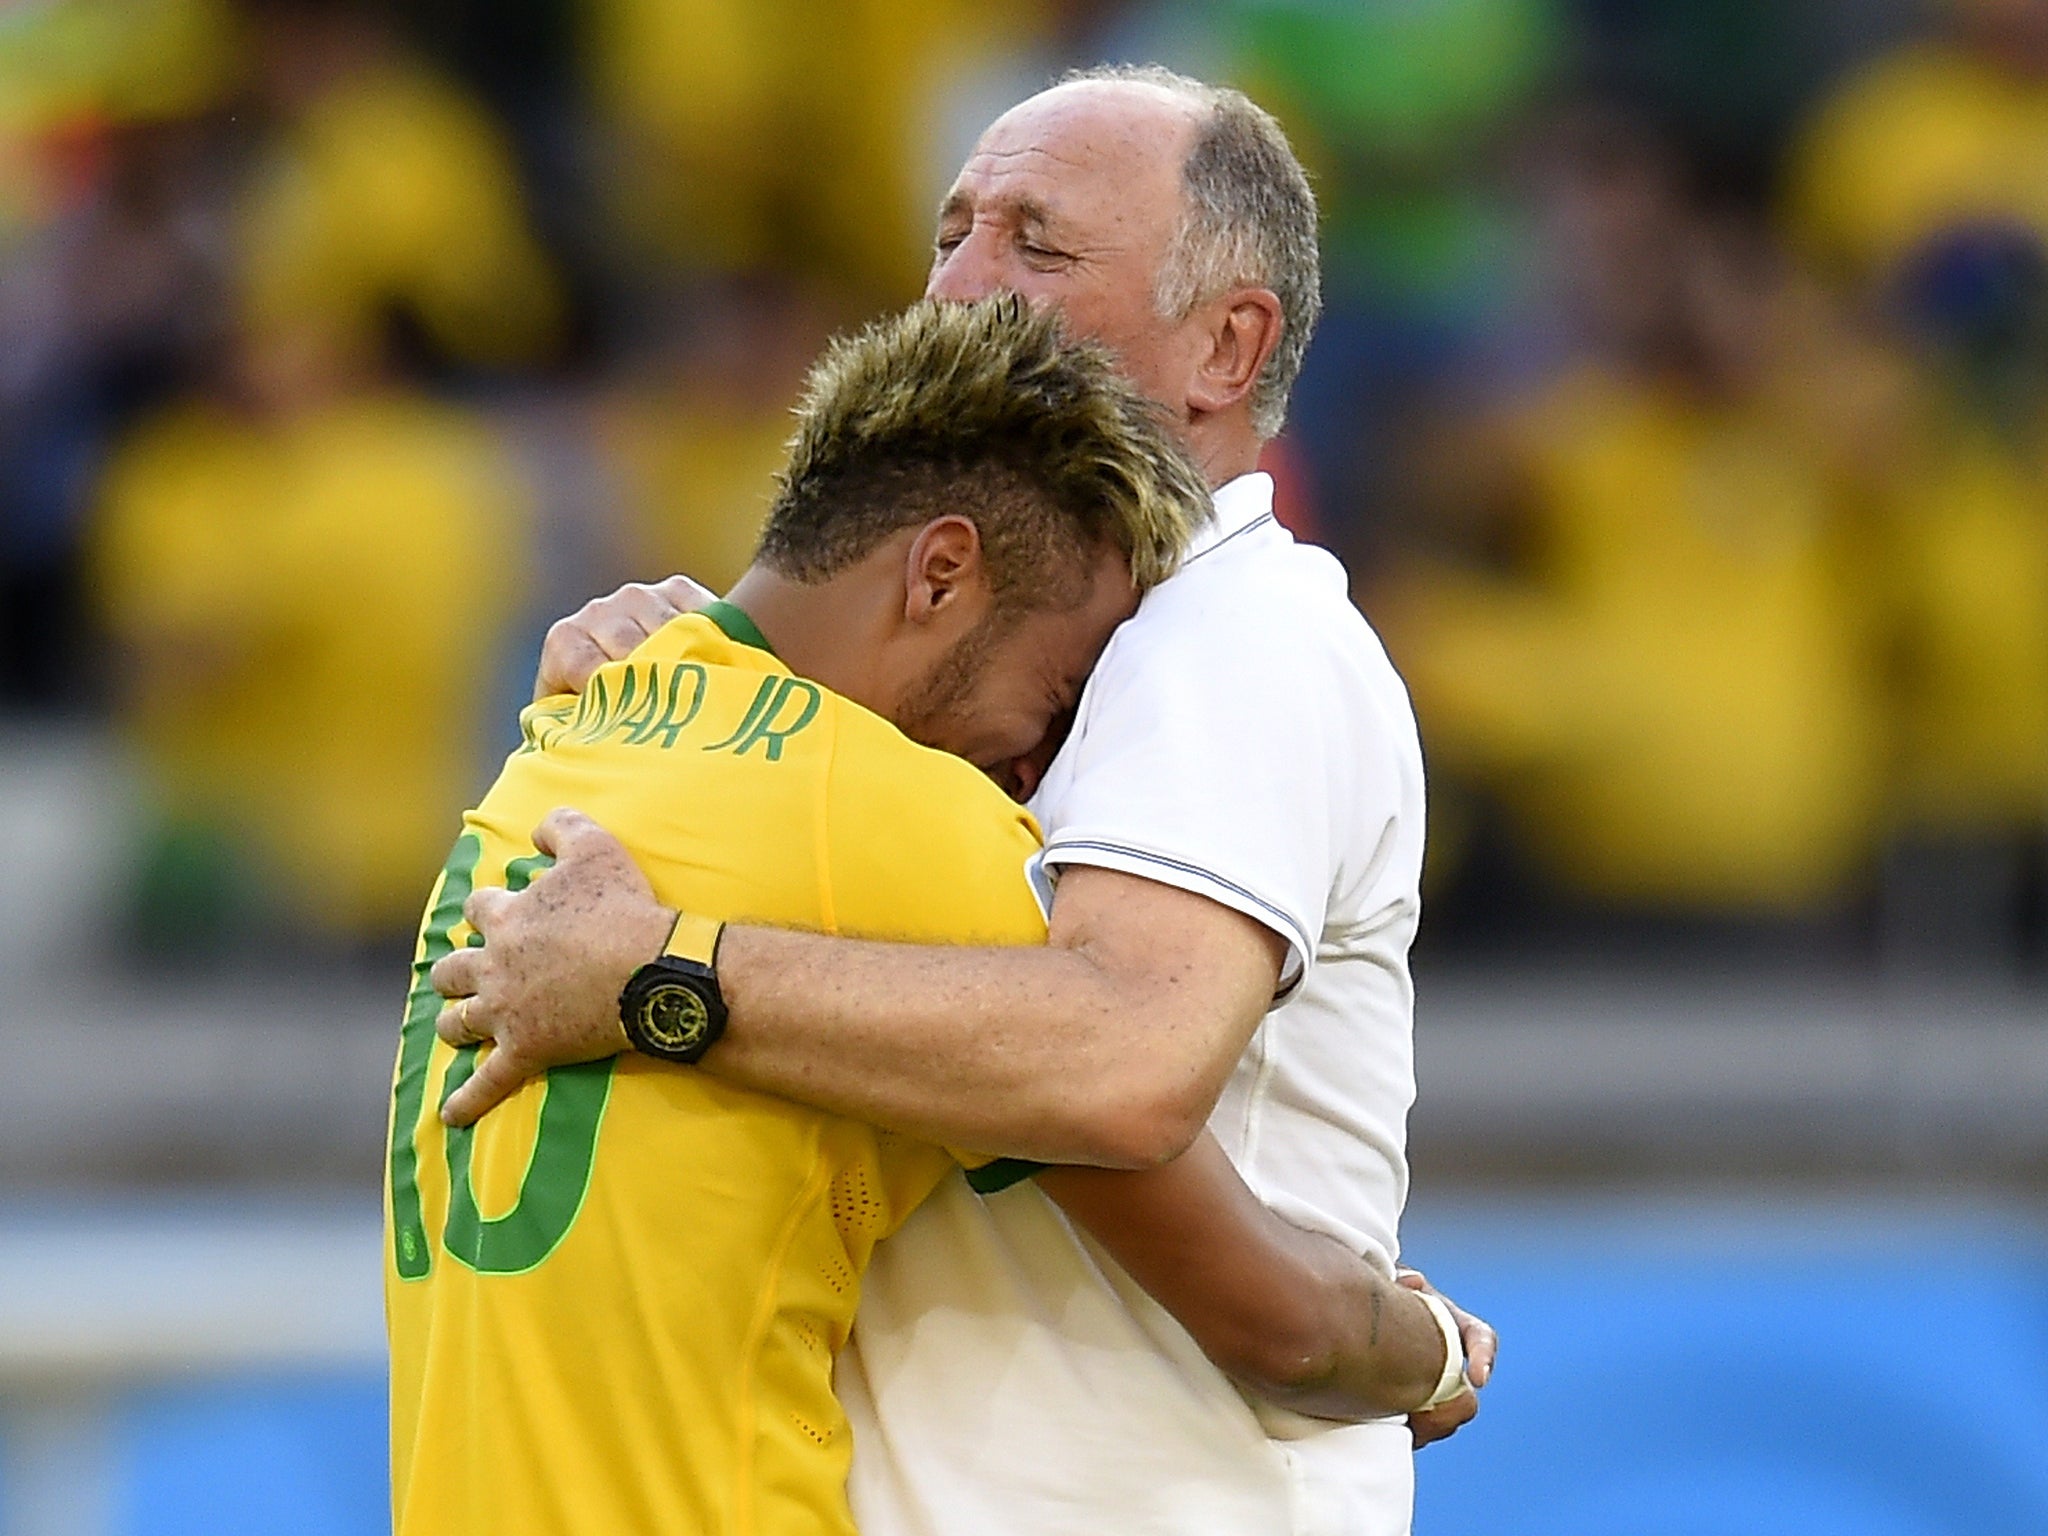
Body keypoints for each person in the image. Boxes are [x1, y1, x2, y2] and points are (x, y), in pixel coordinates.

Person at [432, 68, 1495, 1535]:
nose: (960, 287)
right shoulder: (869, 737)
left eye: (1038, 247)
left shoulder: (1237, 639)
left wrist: (667, 968)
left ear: (1229, 342)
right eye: (951, 234)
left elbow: (1124, 1063)